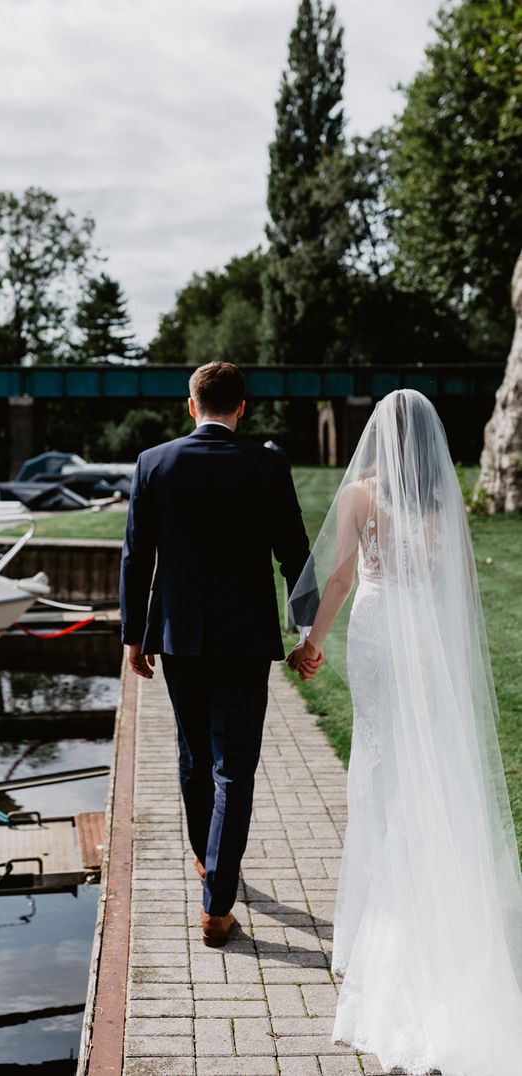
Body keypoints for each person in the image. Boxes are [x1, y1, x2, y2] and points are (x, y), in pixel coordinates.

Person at [288, 389, 522, 1074]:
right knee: (428, 766)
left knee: (382, 765)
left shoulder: (361, 496)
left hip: (377, 630)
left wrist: (311, 645)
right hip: (421, 635)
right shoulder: (444, 502)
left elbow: (335, 581)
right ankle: (440, 903)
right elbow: (453, 585)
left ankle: (387, 925)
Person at [120, 361, 320, 946]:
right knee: (234, 764)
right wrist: (307, 629)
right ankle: (216, 902)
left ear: (191, 406)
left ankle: (208, 863)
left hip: (179, 638)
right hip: (245, 640)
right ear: (242, 407)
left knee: (191, 752)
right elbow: (294, 553)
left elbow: (137, 556)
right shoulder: (266, 463)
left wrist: (134, 633)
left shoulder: (154, 463)